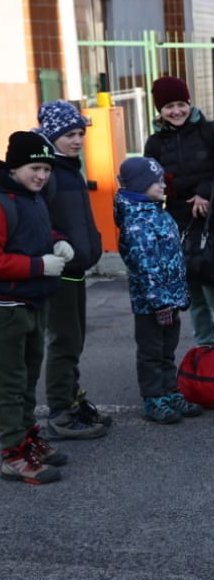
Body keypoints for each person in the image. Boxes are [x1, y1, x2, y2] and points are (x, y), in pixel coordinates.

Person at [143, 76, 214, 350]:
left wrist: (207, 190)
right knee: (193, 289)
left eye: (181, 104)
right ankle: (205, 349)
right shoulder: (155, 144)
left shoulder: (212, 132)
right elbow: (152, 186)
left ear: (189, 103)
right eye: (168, 106)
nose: (176, 111)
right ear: (160, 110)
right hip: (181, 224)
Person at [0, 132, 72, 485]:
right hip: (8, 308)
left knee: (28, 376)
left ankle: (26, 437)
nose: (42, 176)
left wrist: (58, 244)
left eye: (46, 169)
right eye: (35, 168)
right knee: (9, 382)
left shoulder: (33, 198)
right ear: (15, 166)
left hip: (33, 302)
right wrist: (39, 266)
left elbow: (41, 234)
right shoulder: (3, 202)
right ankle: (10, 451)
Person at [36, 101, 110, 440]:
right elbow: (40, 220)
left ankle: (71, 397)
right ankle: (59, 413)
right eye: (69, 134)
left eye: (81, 133)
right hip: (59, 270)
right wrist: (58, 242)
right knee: (65, 339)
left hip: (76, 267)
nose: (77, 139)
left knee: (75, 338)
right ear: (53, 136)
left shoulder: (69, 169)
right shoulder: (48, 172)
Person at [114, 157, 204, 425]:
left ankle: (170, 391)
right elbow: (146, 267)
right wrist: (160, 303)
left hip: (170, 299)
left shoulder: (155, 211)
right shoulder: (137, 221)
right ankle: (154, 397)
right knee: (152, 351)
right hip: (152, 304)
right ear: (141, 186)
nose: (163, 185)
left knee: (167, 348)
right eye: (157, 181)